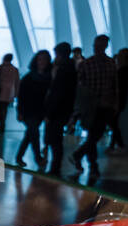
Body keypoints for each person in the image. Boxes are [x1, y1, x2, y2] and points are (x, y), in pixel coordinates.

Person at [71, 34, 116, 180]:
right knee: (94, 136)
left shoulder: (91, 64)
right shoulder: (107, 63)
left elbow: (80, 87)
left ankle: (81, 157)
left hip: (98, 105)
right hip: (95, 106)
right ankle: (92, 166)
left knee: (94, 135)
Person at [44, 42, 76, 174]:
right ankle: (55, 166)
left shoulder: (63, 70)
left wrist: (49, 112)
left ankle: (55, 168)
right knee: (56, 139)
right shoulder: (71, 68)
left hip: (57, 111)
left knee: (54, 140)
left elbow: (57, 93)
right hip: (64, 110)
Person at [15, 50, 50, 168]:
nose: (42, 62)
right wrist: (20, 112)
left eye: (45, 59)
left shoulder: (48, 77)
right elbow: (21, 96)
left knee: (30, 134)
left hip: (40, 112)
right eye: (40, 59)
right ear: (36, 61)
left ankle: (19, 157)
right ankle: (38, 158)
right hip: (28, 111)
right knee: (34, 133)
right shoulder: (28, 78)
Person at [0, 53, 19, 133]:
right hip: (9, 93)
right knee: (4, 109)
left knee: (0, 109)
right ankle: (2, 124)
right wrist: (16, 93)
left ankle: (1, 124)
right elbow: (17, 82)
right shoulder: (14, 69)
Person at [109, 48, 128, 150]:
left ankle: (118, 144)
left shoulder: (122, 72)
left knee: (113, 123)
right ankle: (115, 144)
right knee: (114, 123)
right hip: (120, 101)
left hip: (118, 101)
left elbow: (119, 89)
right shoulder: (126, 71)